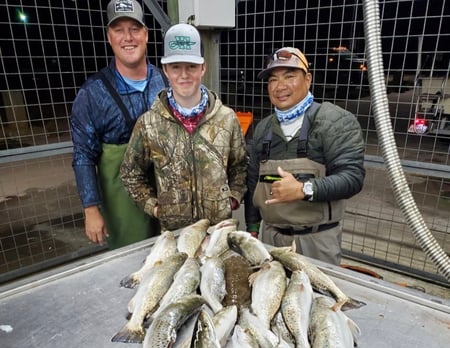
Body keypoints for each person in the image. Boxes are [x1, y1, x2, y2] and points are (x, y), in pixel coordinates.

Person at [120, 23, 248, 231]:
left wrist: (232, 198)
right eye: (176, 67)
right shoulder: (149, 123)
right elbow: (130, 173)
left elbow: (240, 165)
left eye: (191, 66)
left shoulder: (226, 118)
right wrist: (154, 207)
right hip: (174, 234)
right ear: (165, 70)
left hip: (218, 232)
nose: (184, 75)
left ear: (203, 68)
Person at [244, 47, 365, 265]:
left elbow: (352, 178)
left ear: (307, 79)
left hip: (316, 242)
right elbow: (254, 181)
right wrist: (252, 229)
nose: (280, 86)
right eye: (272, 80)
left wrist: (304, 189)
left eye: (289, 76)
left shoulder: (335, 121)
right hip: (270, 238)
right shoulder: (263, 129)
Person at [70, 0, 167, 249]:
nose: (128, 37)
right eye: (119, 30)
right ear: (109, 37)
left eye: (134, 29)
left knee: (171, 252)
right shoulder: (92, 94)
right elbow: (83, 156)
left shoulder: (165, 80)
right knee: (132, 261)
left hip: (167, 187)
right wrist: (90, 208)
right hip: (121, 198)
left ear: (145, 34)